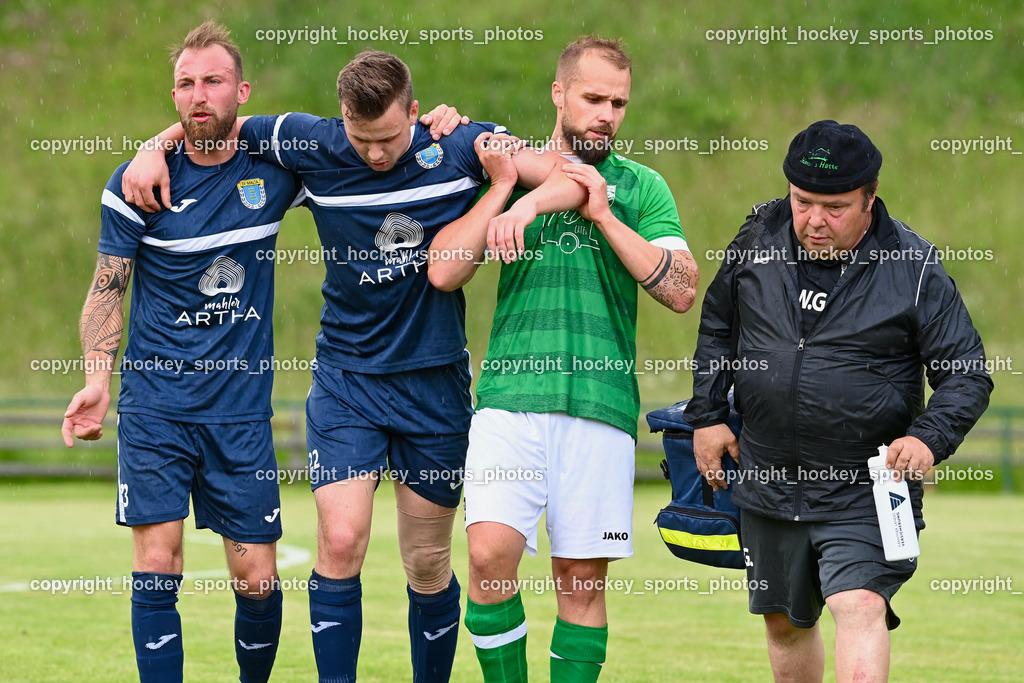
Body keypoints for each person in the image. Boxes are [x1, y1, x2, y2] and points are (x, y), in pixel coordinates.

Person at [122, 49, 585, 682]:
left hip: (433, 385)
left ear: (415, 113)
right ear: (342, 117)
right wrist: (154, 146)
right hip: (346, 381)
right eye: (361, 138)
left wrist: (516, 199)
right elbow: (216, 123)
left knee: (427, 563)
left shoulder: (460, 144)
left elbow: (572, 176)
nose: (374, 153)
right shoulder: (310, 142)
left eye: (389, 138)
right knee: (340, 543)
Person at [428, 36, 699, 682]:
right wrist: (501, 189)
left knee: (580, 581)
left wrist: (605, 216)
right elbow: (443, 271)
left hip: (600, 406)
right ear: (558, 93)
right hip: (510, 400)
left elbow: (682, 288)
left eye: (619, 103)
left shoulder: (642, 186)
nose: (606, 114)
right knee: (488, 558)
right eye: (593, 98)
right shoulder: (506, 165)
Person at [684, 120, 993, 681]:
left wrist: (928, 438)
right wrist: (705, 415)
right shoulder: (756, 239)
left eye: (835, 208)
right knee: (785, 622)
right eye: (802, 202)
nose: (814, 220)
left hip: (866, 485)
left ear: (870, 199)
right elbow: (718, 327)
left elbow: (966, 372)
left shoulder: (914, 267)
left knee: (859, 603)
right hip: (768, 477)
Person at [60, 22, 305, 683]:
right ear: (174, 95)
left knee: (257, 579)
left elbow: (361, 145)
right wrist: (96, 380)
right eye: (186, 84)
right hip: (156, 408)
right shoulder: (137, 183)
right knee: (157, 566)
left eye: (213, 81)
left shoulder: (276, 169)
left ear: (241, 91)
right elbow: (107, 287)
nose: (199, 95)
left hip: (239, 414)